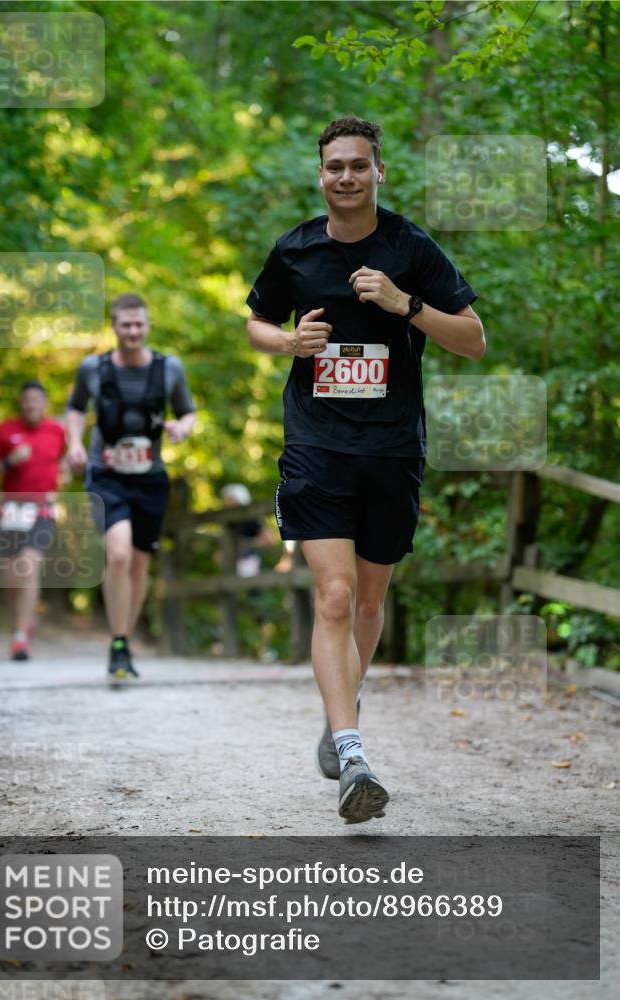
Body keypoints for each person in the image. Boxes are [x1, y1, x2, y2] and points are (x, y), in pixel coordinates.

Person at [246, 116, 485, 823]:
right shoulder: (295, 249)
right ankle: (352, 754)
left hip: (391, 448)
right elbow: (256, 323)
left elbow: (473, 340)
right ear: (319, 174)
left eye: (358, 165)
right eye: (334, 166)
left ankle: (341, 706)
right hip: (316, 445)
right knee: (335, 596)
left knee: (370, 604)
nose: (345, 176)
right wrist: (289, 342)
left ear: (378, 171)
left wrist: (406, 304)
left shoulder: (410, 247)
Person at [65, 293, 196, 683]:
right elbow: (75, 407)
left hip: (150, 478)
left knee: (140, 564)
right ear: (114, 327)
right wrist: (73, 443)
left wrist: (181, 428)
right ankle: (120, 642)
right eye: (126, 325)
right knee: (119, 554)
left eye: (139, 324)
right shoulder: (94, 367)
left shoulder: (169, 368)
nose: (133, 331)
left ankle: (121, 640)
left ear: (148, 325)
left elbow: (187, 412)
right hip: (105, 474)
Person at [0, 381, 69, 661]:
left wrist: (63, 477)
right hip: (11, 509)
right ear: (21, 403)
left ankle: (20, 638)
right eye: (27, 399)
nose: (31, 404)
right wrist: (9, 461)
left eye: (36, 399)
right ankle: (25, 619)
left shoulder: (57, 431)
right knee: (11, 578)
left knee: (29, 565)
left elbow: (65, 461)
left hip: (42, 509)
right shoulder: (6, 430)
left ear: (44, 403)